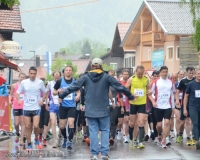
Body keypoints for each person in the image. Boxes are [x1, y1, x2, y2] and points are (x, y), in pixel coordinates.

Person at [58, 58, 136, 160]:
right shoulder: (107, 77)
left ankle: (94, 154)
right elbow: (119, 87)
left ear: (92, 66)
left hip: (90, 110)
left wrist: (62, 95)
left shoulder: (85, 77)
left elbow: (73, 87)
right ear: (101, 66)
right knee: (104, 130)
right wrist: (130, 96)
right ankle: (104, 154)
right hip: (104, 109)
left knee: (93, 131)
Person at [16, 66, 47, 149]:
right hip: (26, 108)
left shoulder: (40, 82)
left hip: (36, 107)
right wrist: (18, 100)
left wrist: (42, 100)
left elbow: (45, 92)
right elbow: (17, 93)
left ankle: (36, 138)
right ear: (28, 73)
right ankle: (29, 143)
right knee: (27, 126)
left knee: (36, 126)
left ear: (36, 74)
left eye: (34, 73)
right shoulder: (24, 82)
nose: (33, 75)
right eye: (31, 73)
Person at [53, 66, 80, 150]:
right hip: (63, 106)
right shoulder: (60, 81)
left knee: (71, 123)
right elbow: (53, 92)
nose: (68, 72)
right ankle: (65, 138)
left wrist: (78, 96)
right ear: (64, 72)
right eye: (66, 70)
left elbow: (78, 91)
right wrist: (58, 92)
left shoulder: (75, 81)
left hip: (71, 106)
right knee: (62, 126)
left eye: (70, 70)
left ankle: (70, 141)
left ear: (72, 72)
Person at [125, 65, 152, 149]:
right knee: (132, 123)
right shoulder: (131, 79)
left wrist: (149, 91)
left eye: (141, 74)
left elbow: (148, 89)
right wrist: (131, 95)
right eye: (139, 74)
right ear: (135, 72)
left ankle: (140, 142)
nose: (140, 75)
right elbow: (125, 89)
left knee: (141, 122)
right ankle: (131, 138)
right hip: (133, 103)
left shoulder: (146, 79)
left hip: (142, 103)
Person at [150, 66, 176, 148]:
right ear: (160, 73)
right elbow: (150, 93)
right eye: (163, 72)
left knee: (167, 122)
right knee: (159, 125)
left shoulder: (171, 82)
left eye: (166, 71)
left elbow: (173, 93)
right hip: (158, 106)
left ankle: (164, 140)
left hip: (167, 106)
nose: (165, 73)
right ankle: (159, 134)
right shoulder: (155, 82)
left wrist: (173, 106)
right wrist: (153, 101)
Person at [175, 67, 195, 146]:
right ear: (187, 73)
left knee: (190, 121)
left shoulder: (195, 80)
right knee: (182, 122)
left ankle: (189, 137)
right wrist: (177, 100)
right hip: (185, 103)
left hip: (193, 104)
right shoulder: (183, 81)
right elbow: (177, 91)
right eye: (190, 73)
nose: (191, 75)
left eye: (192, 73)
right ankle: (180, 134)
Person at [184, 69, 200, 149]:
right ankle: (197, 140)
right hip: (193, 107)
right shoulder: (191, 84)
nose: (199, 75)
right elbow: (186, 97)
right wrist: (184, 109)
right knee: (195, 123)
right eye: (198, 74)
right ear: (195, 75)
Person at [46, 71, 61, 148]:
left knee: (61, 124)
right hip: (52, 104)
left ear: (60, 75)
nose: (56, 75)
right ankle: (55, 140)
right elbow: (47, 93)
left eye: (58, 74)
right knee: (53, 121)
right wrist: (46, 103)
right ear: (53, 75)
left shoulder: (62, 82)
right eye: (55, 74)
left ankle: (60, 137)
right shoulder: (50, 83)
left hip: (61, 104)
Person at [10, 73, 26, 145]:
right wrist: (10, 100)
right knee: (16, 123)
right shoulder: (14, 85)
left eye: (23, 77)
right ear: (18, 77)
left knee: (22, 123)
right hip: (16, 106)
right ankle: (17, 133)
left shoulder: (26, 86)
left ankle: (21, 139)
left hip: (24, 106)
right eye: (21, 77)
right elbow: (10, 95)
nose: (22, 78)